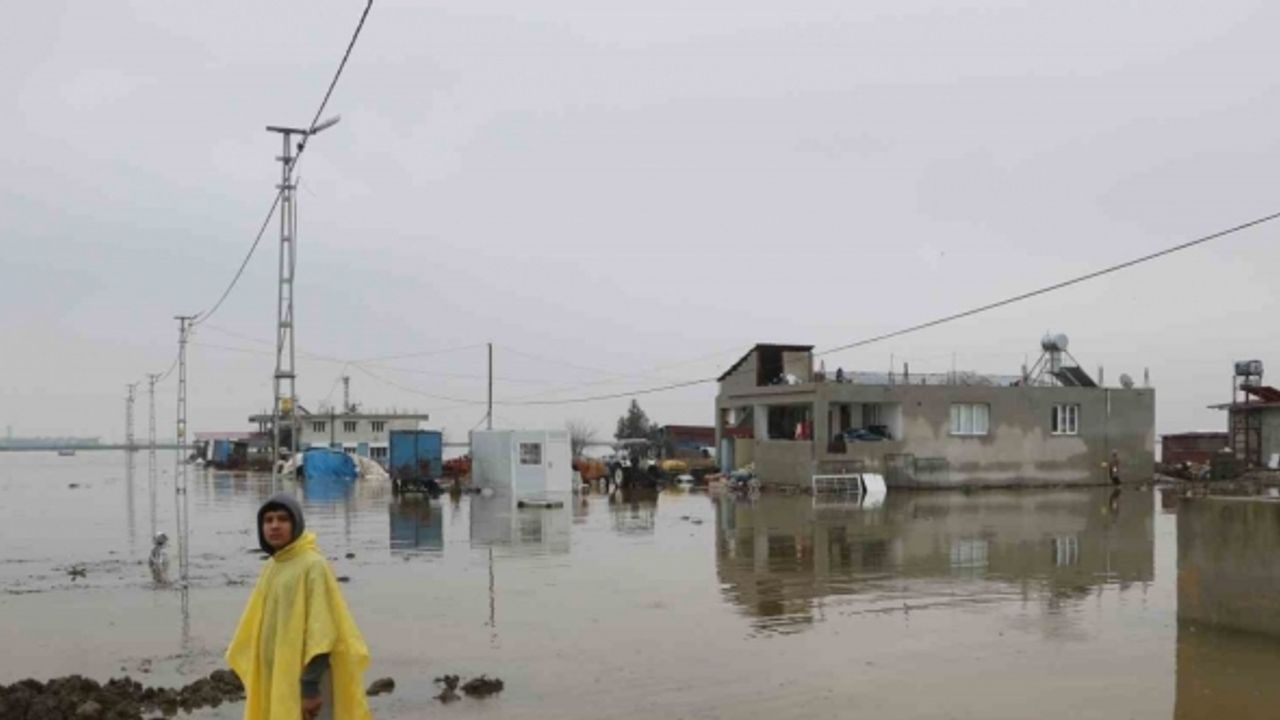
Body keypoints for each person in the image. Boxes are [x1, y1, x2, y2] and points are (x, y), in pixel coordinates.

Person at [226, 493, 371, 720]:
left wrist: (310, 687)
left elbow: (322, 633)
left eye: (283, 519)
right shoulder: (274, 566)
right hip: (279, 676)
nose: (274, 526)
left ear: (296, 524)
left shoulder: (312, 566)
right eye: (268, 520)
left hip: (307, 681)